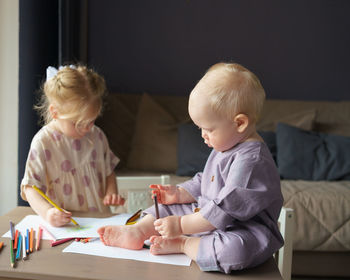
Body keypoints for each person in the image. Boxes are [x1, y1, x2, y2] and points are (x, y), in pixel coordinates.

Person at [97, 62, 283, 273]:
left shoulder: (250, 162)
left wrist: (181, 226)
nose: (203, 135)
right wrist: (179, 194)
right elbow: (206, 180)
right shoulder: (226, 144)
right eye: (200, 128)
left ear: (239, 123)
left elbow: (223, 210)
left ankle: (183, 244)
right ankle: (138, 232)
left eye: (208, 129)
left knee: (235, 251)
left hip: (243, 228)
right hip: (207, 218)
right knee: (167, 209)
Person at [21, 64, 125, 227]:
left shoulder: (97, 136)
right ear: (55, 112)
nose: (87, 128)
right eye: (78, 123)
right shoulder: (43, 142)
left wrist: (111, 192)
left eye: (91, 121)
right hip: (65, 227)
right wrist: (47, 212)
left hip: (98, 222)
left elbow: (108, 172)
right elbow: (30, 189)